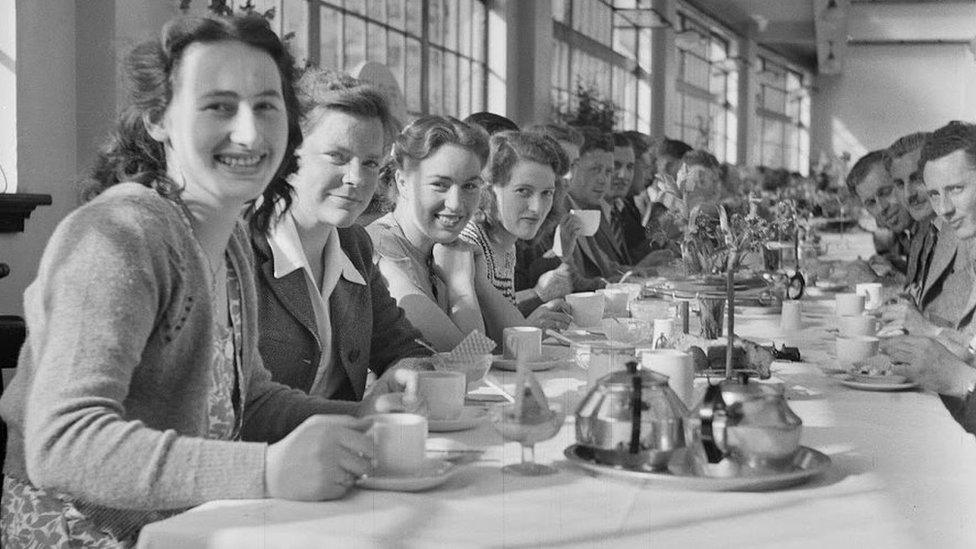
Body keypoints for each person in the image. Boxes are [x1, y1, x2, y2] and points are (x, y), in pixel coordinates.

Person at [0, 16, 391, 546]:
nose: (250, 132)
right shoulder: (118, 236)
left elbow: (245, 403)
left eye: (267, 106)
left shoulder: (228, 243)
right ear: (158, 118)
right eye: (218, 106)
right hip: (89, 532)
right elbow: (64, 444)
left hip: (187, 523)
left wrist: (365, 417)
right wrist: (269, 470)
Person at [250, 68, 431, 401]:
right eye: (338, 157)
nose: (356, 178)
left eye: (371, 163)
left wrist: (404, 372)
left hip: (346, 443)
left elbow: (407, 348)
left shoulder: (355, 245)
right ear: (289, 156)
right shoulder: (244, 249)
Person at [366, 116, 490, 352]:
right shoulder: (379, 248)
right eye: (440, 185)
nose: (455, 204)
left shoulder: (449, 248)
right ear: (402, 182)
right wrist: (460, 284)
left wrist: (480, 283)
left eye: (470, 186)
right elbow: (470, 358)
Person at [458, 131, 574, 333]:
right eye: (523, 191)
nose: (537, 208)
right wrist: (527, 327)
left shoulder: (507, 246)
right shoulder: (469, 243)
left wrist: (536, 317)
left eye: (546, 193)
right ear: (489, 191)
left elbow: (495, 323)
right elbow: (467, 344)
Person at [846, 149, 914, 273]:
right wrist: (898, 268)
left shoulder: (936, 228)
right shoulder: (910, 233)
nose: (882, 208)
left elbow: (934, 291)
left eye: (886, 192)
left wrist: (875, 280)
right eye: (871, 202)